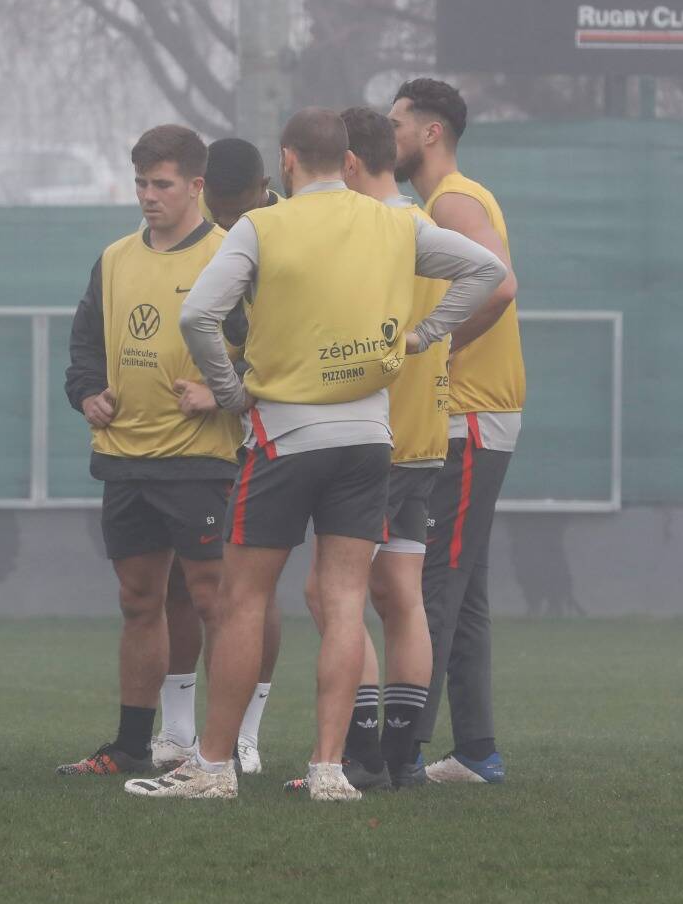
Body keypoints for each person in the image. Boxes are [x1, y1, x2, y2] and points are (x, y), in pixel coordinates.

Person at [127, 107, 510, 802]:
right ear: (350, 159)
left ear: (289, 161)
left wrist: (231, 391)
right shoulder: (397, 222)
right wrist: (425, 335)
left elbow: (196, 316)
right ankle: (331, 767)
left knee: (244, 600)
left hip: (285, 435)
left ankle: (212, 766)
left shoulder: (265, 225)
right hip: (369, 437)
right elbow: (485, 271)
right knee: (344, 603)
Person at [58, 124, 244, 778]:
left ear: (196, 185)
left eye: (161, 184)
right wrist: (87, 394)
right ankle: (132, 744)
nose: (148, 196)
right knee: (138, 599)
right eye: (140, 182)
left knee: (212, 600)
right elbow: (84, 345)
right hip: (126, 458)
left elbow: (267, 350)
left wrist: (223, 393)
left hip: (199, 462)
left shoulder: (230, 253)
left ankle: (221, 750)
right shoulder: (114, 258)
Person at [287, 107, 447, 794]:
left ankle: (360, 749)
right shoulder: (425, 225)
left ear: (348, 164)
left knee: (331, 592)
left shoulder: (379, 230)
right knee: (402, 595)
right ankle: (405, 755)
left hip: (379, 431)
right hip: (427, 432)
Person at [388, 78, 525, 786]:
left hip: (468, 414)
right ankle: (476, 752)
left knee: (432, 587)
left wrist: (433, 340)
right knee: (462, 591)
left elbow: (498, 285)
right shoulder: (446, 200)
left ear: (430, 132)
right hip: (474, 413)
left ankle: (399, 752)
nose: (390, 135)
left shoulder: (450, 201)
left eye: (397, 122)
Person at [151, 137, 286, 773]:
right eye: (224, 214)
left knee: (258, 590)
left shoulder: (285, 234)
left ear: (262, 188)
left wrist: (230, 394)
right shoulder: (227, 244)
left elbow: (298, 344)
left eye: (238, 210)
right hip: (236, 440)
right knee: (198, 587)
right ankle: (187, 735)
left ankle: (246, 736)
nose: (231, 225)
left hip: (286, 435)